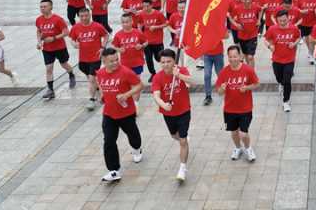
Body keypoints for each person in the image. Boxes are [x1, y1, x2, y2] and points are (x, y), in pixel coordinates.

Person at [96, 48, 144, 182]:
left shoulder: (126, 72)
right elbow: (100, 85)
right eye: (111, 61)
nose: (115, 63)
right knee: (109, 141)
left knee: (133, 134)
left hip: (126, 112)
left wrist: (126, 95)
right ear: (104, 61)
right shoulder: (100, 73)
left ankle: (137, 149)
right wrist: (102, 95)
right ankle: (113, 170)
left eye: (116, 59)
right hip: (109, 113)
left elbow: (140, 85)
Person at [152, 49, 194, 181]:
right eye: (163, 62)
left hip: (184, 111)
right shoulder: (157, 77)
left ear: (174, 61)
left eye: (168, 61)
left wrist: (179, 75)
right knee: (174, 135)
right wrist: (163, 105)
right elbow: (156, 95)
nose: (165, 65)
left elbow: (191, 82)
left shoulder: (181, 71)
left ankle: (182, 168)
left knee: (182, 140)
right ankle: (184, 140)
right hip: (168, 113)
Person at [215, 45, 260, 162]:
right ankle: (237, 148)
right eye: (230, 57)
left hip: (245, 108)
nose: (233, 59)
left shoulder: (247, 70)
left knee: (243, 134)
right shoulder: (224, 72)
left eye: (235, 56)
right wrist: (222, 89)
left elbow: (257, 84)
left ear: (240, 56)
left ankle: (248, 148)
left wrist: (247, 87)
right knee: (234, 132)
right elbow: (219, 92)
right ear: (227, 57)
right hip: (229, 109)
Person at [36, 0, 76, 99]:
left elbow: (66, 32)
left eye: (45, 6)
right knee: (49, 68)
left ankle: (71, 74)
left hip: (59, 47)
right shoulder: (39, 19)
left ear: (51, 7)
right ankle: (50, 90)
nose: (42, 8)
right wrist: (39, 41)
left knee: (64, 64)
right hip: (47, 49)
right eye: (41, 7)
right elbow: (39, 31)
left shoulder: (58, 19)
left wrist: (53, 38)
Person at [69, 8, 109, 110]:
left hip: (95, 57)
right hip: (83, 59)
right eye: (82, 16)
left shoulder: (97, 26)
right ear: (79, 17)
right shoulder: (76, 28)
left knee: (91, 79)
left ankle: (92, 99)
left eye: (86, 15)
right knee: (92, 79)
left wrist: (102, 48)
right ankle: (99, 89)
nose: (84, 18)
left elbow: (106, 35)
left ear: (90, 15)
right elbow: (72, 39)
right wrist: (74, 44)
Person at [265, 10, 300, 112]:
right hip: (277, 59)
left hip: (289, 59)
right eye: (280, 21)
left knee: (287, 80)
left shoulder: (293, 28)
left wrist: (294, 44)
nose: (283, 22)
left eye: (284, 20)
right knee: (279, 77)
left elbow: (298, 37)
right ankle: (280, 83)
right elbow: (266, 40)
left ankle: (286, 101)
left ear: (288, 18)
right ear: (277, 20)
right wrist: (270, 46)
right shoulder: (272, 29)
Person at [112, 14, 147, 112]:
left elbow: (146, 42)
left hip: (137, 62)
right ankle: (127, 100)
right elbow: (114, 46)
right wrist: (119, 49)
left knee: (136, 83)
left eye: (127, 22)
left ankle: (136, 104)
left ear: (132, 22)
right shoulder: (118, 34)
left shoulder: (138, 33)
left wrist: (141, 46)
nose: (125, 24)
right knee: (125, 84)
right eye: (123, 22)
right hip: (124, 64)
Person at [137, 0, 167, 82]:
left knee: (159, 58)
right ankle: (153, 73)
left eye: (147, 6)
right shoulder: (141, 14)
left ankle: (165, 71)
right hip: (146, 41)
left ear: (151, 5)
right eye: (144, 6)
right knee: (148, 58)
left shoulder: (158, 14)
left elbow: (166, 24)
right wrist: (140, 32)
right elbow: (139, 23)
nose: (145, 8)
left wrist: (156, 27)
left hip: (158, 41)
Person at [229, 0, 262, 68]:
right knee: (246, 56)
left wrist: (259, 20)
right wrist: (236, 24)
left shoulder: (255, 6)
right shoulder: (237, 8)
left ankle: (252, 74)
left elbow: (261, 10)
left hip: (253, 35)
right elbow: (230, 16)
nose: (247, 1)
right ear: (242, 0)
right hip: (242, 36)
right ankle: (249, 71)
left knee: (250, 56)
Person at [297, 0, 316, 65]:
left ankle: (311, 55)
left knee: (311, 40)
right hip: (303, 23)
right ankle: (310, 51)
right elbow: (296, 8)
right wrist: (301, 11)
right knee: (306, 39)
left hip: (314, 23)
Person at [203, 38, 225, 106]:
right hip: (206, 54)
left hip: (218, 53)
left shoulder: (219, 26)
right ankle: (208, 96)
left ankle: (226, 91)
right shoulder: (203, 26)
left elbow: (226, 35)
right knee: (207, 75)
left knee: (220, 74)